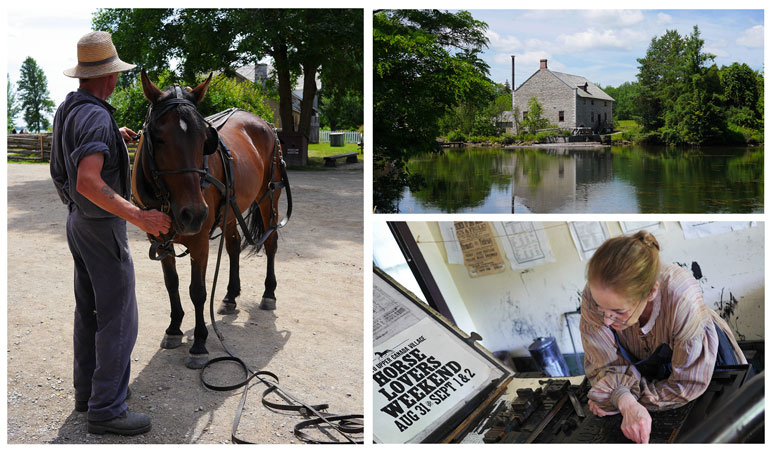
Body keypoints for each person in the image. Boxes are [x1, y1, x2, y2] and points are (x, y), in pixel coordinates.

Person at [50, 30, 171, 436]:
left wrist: (113, 141)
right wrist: (142, 218)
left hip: (77, 222)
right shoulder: (97, 116)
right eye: (116, 73)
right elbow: (88, 180)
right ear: (110, 76)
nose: (118, 78)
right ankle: (106, 409)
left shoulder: (71, 107)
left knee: (89, 310)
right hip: (100, 226)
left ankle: (89, 393)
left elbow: (75, 156)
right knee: (119, 318)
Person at [579, 230, 746, 444]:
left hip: (701, 363)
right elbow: (604, 364)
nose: (607, 322)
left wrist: (619, 399)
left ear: (651, 292)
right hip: (647, 366)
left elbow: (686, 384)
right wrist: (625, 401)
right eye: (602, 310)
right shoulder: (595, 294)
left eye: (619, 312)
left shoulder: (682, 298)